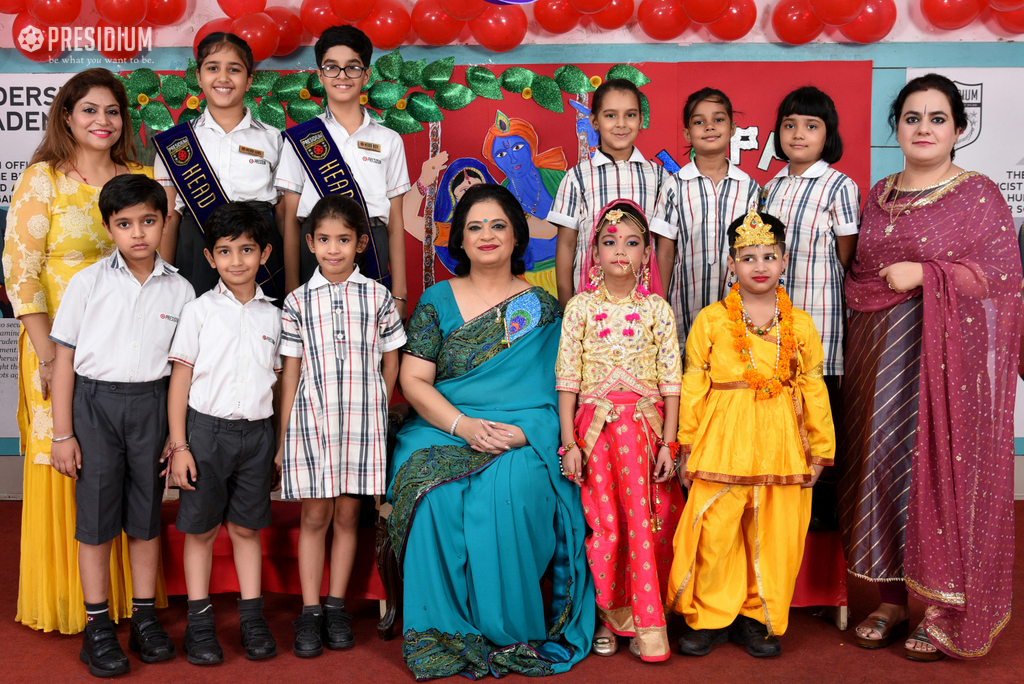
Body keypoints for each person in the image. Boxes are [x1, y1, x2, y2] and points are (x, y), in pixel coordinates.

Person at [838, 73, 1021, 661]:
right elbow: (862, 275)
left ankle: (942, 608)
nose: (923, 128)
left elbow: (1003, 281)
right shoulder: (879, 192)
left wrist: (928, 274)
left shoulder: (979, 195)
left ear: (958, 130)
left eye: (937, 118)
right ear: (896, 127)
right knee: (882, 466)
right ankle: (893, 598)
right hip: (879, 355)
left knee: (937, 471)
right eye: (912, 117)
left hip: (947, 364)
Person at [388, 184, 593, 679]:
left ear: (516, 235)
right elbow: (413, 380)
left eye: (498, 225)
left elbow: (561, 390)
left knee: (513, 487)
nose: (486, 236)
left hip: (523, 429)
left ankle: (508, 631)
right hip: (443, 426)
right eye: (474, 226)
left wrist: (527, 433)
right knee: (432, 494)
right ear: (458, 238)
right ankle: (443, 634)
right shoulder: (437, 300)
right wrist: (463, 424)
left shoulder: (543, 308)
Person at [3, 68, 161, 635]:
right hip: (57, 352)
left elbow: (158, 269)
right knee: (71, 465)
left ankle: (131, 604)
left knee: (127, 472)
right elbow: (20, 275)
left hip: (126, 355)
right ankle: (79, 605)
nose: (102, 121)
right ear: (67, 116)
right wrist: (47, 355)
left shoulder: (142, 177)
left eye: (112, 111)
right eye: (89, 110)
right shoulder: (43, 179)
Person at [666, 209, 835, 659]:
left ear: (783, 262)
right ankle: (710, 616)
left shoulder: (798, 325)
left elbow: (813, 385)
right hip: (722, 441)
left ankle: (759, 618)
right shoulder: (712, 321)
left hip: (782, 443)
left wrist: (820, 448)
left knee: (774, 532)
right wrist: (686, 444)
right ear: (730, 265)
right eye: (747, 257)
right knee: (717, 531)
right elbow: (694, 383)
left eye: (769, 256)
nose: (759, 266)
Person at [48, 175, 195, 676]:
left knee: (145, 516)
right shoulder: (87, 283)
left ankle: (145, 617)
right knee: (95, 518)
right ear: (109, 227)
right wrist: (62, 433)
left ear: (164, 222)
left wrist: (178, 440)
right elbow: (64, 360)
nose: (138, 234)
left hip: (152, 406)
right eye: (125, 224)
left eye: (148, 222)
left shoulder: (181, 288)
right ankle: (97, 625)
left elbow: (182, 369)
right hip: (95, 407)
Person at [276, 194, 405, 657]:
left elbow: (392, 362)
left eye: (344, 240)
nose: (334, 249)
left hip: (362, 422)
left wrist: (377, 403)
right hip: (313, 422)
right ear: (309, 242)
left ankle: (335, 606)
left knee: (350, 515)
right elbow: (291, 372)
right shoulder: (296, 302)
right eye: (325, 239)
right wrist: (283, 434)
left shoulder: (378, 297)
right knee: (315, 516)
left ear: (361, 243)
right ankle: (309, 611)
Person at [555, 200, 683, 662]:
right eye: (609, 242)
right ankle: (608, 617)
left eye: (632, 243)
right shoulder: (580, 309)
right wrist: (569, 442)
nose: (620, 252)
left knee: (649, 524)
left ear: (648, 255)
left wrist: (670, 442)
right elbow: (567, 380)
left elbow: (671, 383)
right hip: (596, 435)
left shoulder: (657, 310)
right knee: (604, 526)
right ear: (593, 255)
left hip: (646, 434)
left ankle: (650, 621)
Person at [165, 203, 282, 665]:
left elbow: (279, 383)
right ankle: (199, 623)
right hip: (205, 433)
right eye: (226, 252)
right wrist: (180, 446)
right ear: (210, 258)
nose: (237, 261)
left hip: (256, 435)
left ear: (265, 253)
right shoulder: (197, 311)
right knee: (202, 530)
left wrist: (275, 448)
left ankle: (252, 619)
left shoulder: (276, 316)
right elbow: (179, 382)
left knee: (246, 529)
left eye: (247, 250)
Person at [760, 86, 860, 529]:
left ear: (828, 135)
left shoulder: (840, 186)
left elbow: (847, 256)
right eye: (789, 125)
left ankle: (821, 517)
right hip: (774, 322)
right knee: (779, 416)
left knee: (819, 416)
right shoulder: (770, 187)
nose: (798, 134)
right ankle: (780, 509)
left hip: (819, 321)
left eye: (811, 126)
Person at [276, 24, 410, 318]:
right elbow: (289, 218)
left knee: (370, 341)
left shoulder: (388, 140)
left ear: (366, 75)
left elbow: (396, 220)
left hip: (373, 244)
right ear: (320, 75)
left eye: (352, 68)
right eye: (332, 68)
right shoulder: (300, 139)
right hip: (316, 246)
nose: (342, 77)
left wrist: (399, 293)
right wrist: (290, 287)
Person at [153, 32, 286, 302]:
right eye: (213, 68)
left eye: (234, 69)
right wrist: (163, 279)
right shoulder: (175, 143)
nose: (223, 78)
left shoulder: (273, 139)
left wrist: (291, 275)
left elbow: (284, 214)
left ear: (249, 81)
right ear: (199, 77)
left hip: (258, 247)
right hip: (195, 246)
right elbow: (168, 215)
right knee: (196, 332)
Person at [651, 88, 759, 346]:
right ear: (688, 133)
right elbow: (665, 253)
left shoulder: (749, 188)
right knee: (688, 372)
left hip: (738, 306)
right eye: (699, 122)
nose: (709, 127)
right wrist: (660, 305)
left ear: (733, 128)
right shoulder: (674, 186)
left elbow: (756, 249)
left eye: (718, 120)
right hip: (684, 305)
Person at [550, 79, 668, 308]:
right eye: (610, 115)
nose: (621, 124)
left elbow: (663, 247)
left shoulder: (660, 178)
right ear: (594, 121)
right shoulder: (577, 178)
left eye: (630, 115)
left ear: (642, 120)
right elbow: (566, 245)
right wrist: (566, 304)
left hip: (643, 307)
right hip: (590, 308)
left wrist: (659, 303)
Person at [481, 111, 563, 294]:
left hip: (571, 272)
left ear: (531, 146)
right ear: (494, 161)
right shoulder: (501, 196)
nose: (512, 159)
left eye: (517, 148)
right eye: (501, 154)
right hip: (528, 279)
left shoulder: (558, 178)